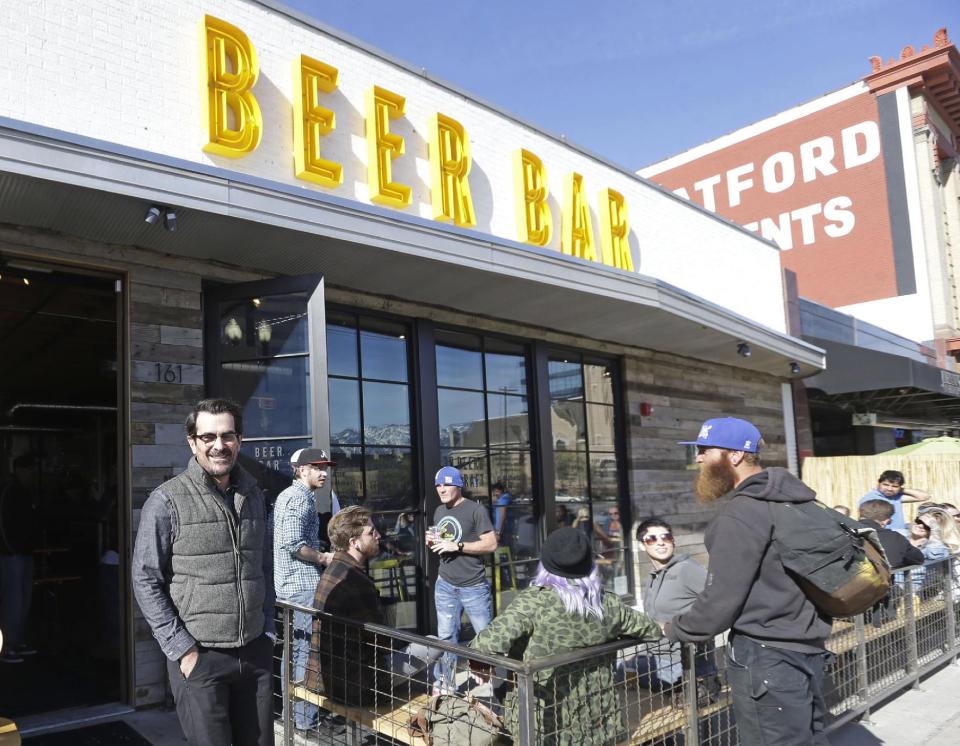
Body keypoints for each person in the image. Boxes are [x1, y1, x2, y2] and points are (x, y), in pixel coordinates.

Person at [665, 417, 832, 746]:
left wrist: (674, 628)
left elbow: (719, 602)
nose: (697, 458)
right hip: (807, 648)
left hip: (768, 656)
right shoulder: (796, 501)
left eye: (704, 450)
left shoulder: (741, 515)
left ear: (735, 456)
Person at [132, 399, 275, 746]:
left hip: (254, 653)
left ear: (239, 440)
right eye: (208, 436)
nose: (219, 445)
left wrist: (268, 629)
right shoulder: (167, 500)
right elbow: (145, 578)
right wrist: (183, 650)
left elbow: (263, 566)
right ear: (192, 442)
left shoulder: (254, 494)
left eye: (227, 436)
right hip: (201, 657)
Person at [470, 527, 662, 745]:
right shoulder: (607, 603)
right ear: (590, 564)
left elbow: (484, 644)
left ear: (546, 563)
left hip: (543, 723)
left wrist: (480, 663)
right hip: (597, 722)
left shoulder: (535, 602)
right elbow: (652, 629)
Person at [304, 505, 436, 706]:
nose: (378, 536)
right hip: (358, 684)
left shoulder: (332, 571)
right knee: (434, 644)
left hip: (322, 677)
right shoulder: (357, 582)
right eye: (371, 532)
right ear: (354, 542)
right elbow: (383, 643)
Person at [272, 447, 336, 732]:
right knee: (305, 653)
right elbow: (292, 543)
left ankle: (294, 716)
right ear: (300, 470)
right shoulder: (298, 498)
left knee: (295, 651)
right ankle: (304, 720)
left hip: (293, 585)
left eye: (325, 467)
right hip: (300, 586)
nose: (324, 472)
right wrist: (324, 557)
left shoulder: (295, 497)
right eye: (317, 467)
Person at [428, 466, 497, 693]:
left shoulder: (476, 511)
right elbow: (442, 543)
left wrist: (456, 545)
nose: (441, 489)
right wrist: (432, 542)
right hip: (445, 583)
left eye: (446, 484)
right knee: (446, 636)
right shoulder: (439, 511)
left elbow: (491, 544)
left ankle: (495, 682)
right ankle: (446, 682)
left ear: (458, 486)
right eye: (438, 485)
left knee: (484, 635)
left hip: (473, 585)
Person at [626, 518, 709, 691]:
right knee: (622, 667)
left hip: (682, 661)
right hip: (655, 655)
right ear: (642, 545)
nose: (661, 543)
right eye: (652, 539)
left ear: (673, 541)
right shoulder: (653, 576)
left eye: (666, 537)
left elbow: (721, 598)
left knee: (620, 670)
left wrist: (691, 628)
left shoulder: (686, 569)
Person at [0, 456, 38, 664]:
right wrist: (11, 548)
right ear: (21, 470)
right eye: (30, 470)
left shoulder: (23, 491)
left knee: (23, 599)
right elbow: (3, 522)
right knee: (13, 600)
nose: (33, 474)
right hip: (13, 554)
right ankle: (8, 646)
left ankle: (17, 640)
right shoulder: (10, 491)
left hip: (24, 552)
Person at [858, 500, 923, 570]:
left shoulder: (845, 531)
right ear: (885, 521)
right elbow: (918, 559)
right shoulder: (895, 538)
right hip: (882, 579)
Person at [858, 470, 930, 531]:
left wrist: (901, 490)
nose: (889, 489)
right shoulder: (870, 499)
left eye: (894, 486)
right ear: (878, 483)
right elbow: (866, 522)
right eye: (885, 485)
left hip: (900, 534)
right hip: (884, 536)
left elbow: (923, 496)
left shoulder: (895, 497)